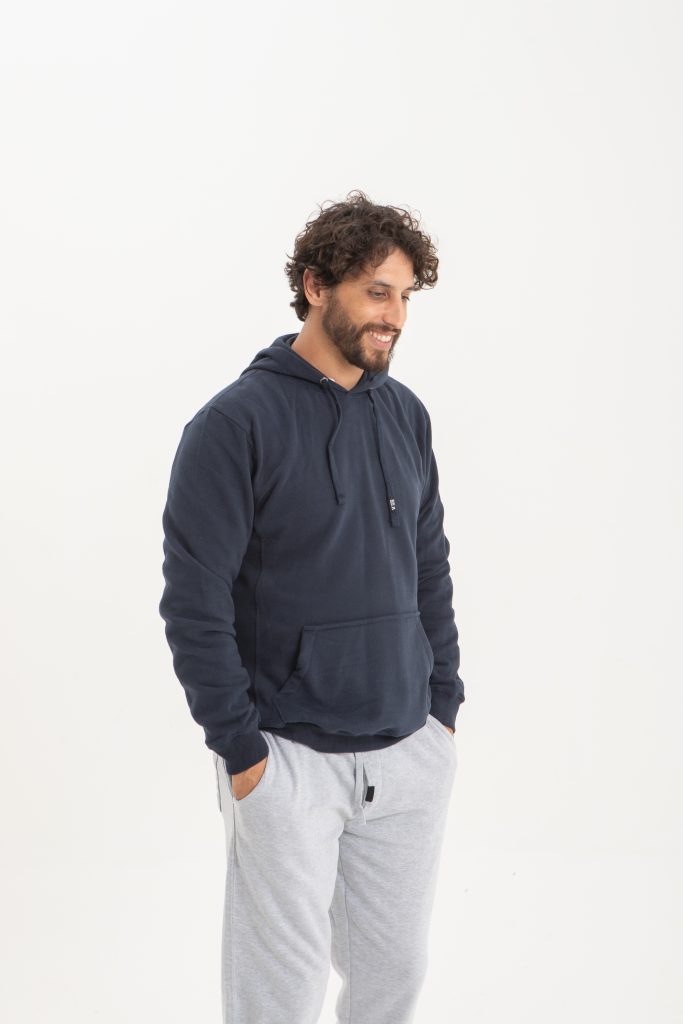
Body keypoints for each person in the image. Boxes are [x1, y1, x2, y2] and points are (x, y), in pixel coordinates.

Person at [158, 188, 466, 1024]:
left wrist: (440, 709)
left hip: (406, 751)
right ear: (315, 285)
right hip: (287, 759)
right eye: (376, 291)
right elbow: (194, 600)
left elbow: (428, 567)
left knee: (393, 980)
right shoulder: (234, 425)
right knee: (279, 999)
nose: (393, 315)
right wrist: (241, 751)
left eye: (404, 296)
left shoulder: (405, 415)